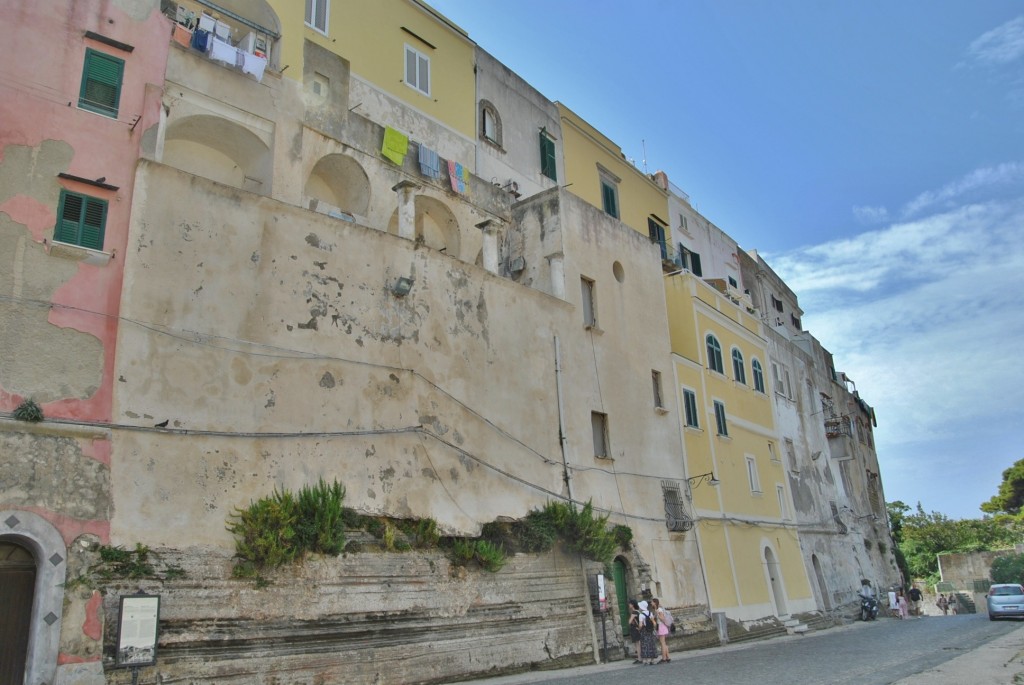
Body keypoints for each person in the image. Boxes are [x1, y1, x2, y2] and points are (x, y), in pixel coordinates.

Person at [637, 600, 658, 665]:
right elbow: (653, 622)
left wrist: (639, 629)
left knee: (644, 644)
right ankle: (652, 659)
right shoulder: (650, 613)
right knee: (651, 644)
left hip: (644, 630)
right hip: (650, 630)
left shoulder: (641, 615)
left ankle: (646, 660)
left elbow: (640, 625)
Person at [651, 598, 671, 664]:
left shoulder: (659, 610)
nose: (651, 603)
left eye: (652, 602)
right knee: (663, 643)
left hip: (661, 626)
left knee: (662, 643)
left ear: (655, 603)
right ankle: (667, 657)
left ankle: (664, 658)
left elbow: (662, 618)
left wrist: (657, 615)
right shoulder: (657, 609)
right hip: (661, 626)